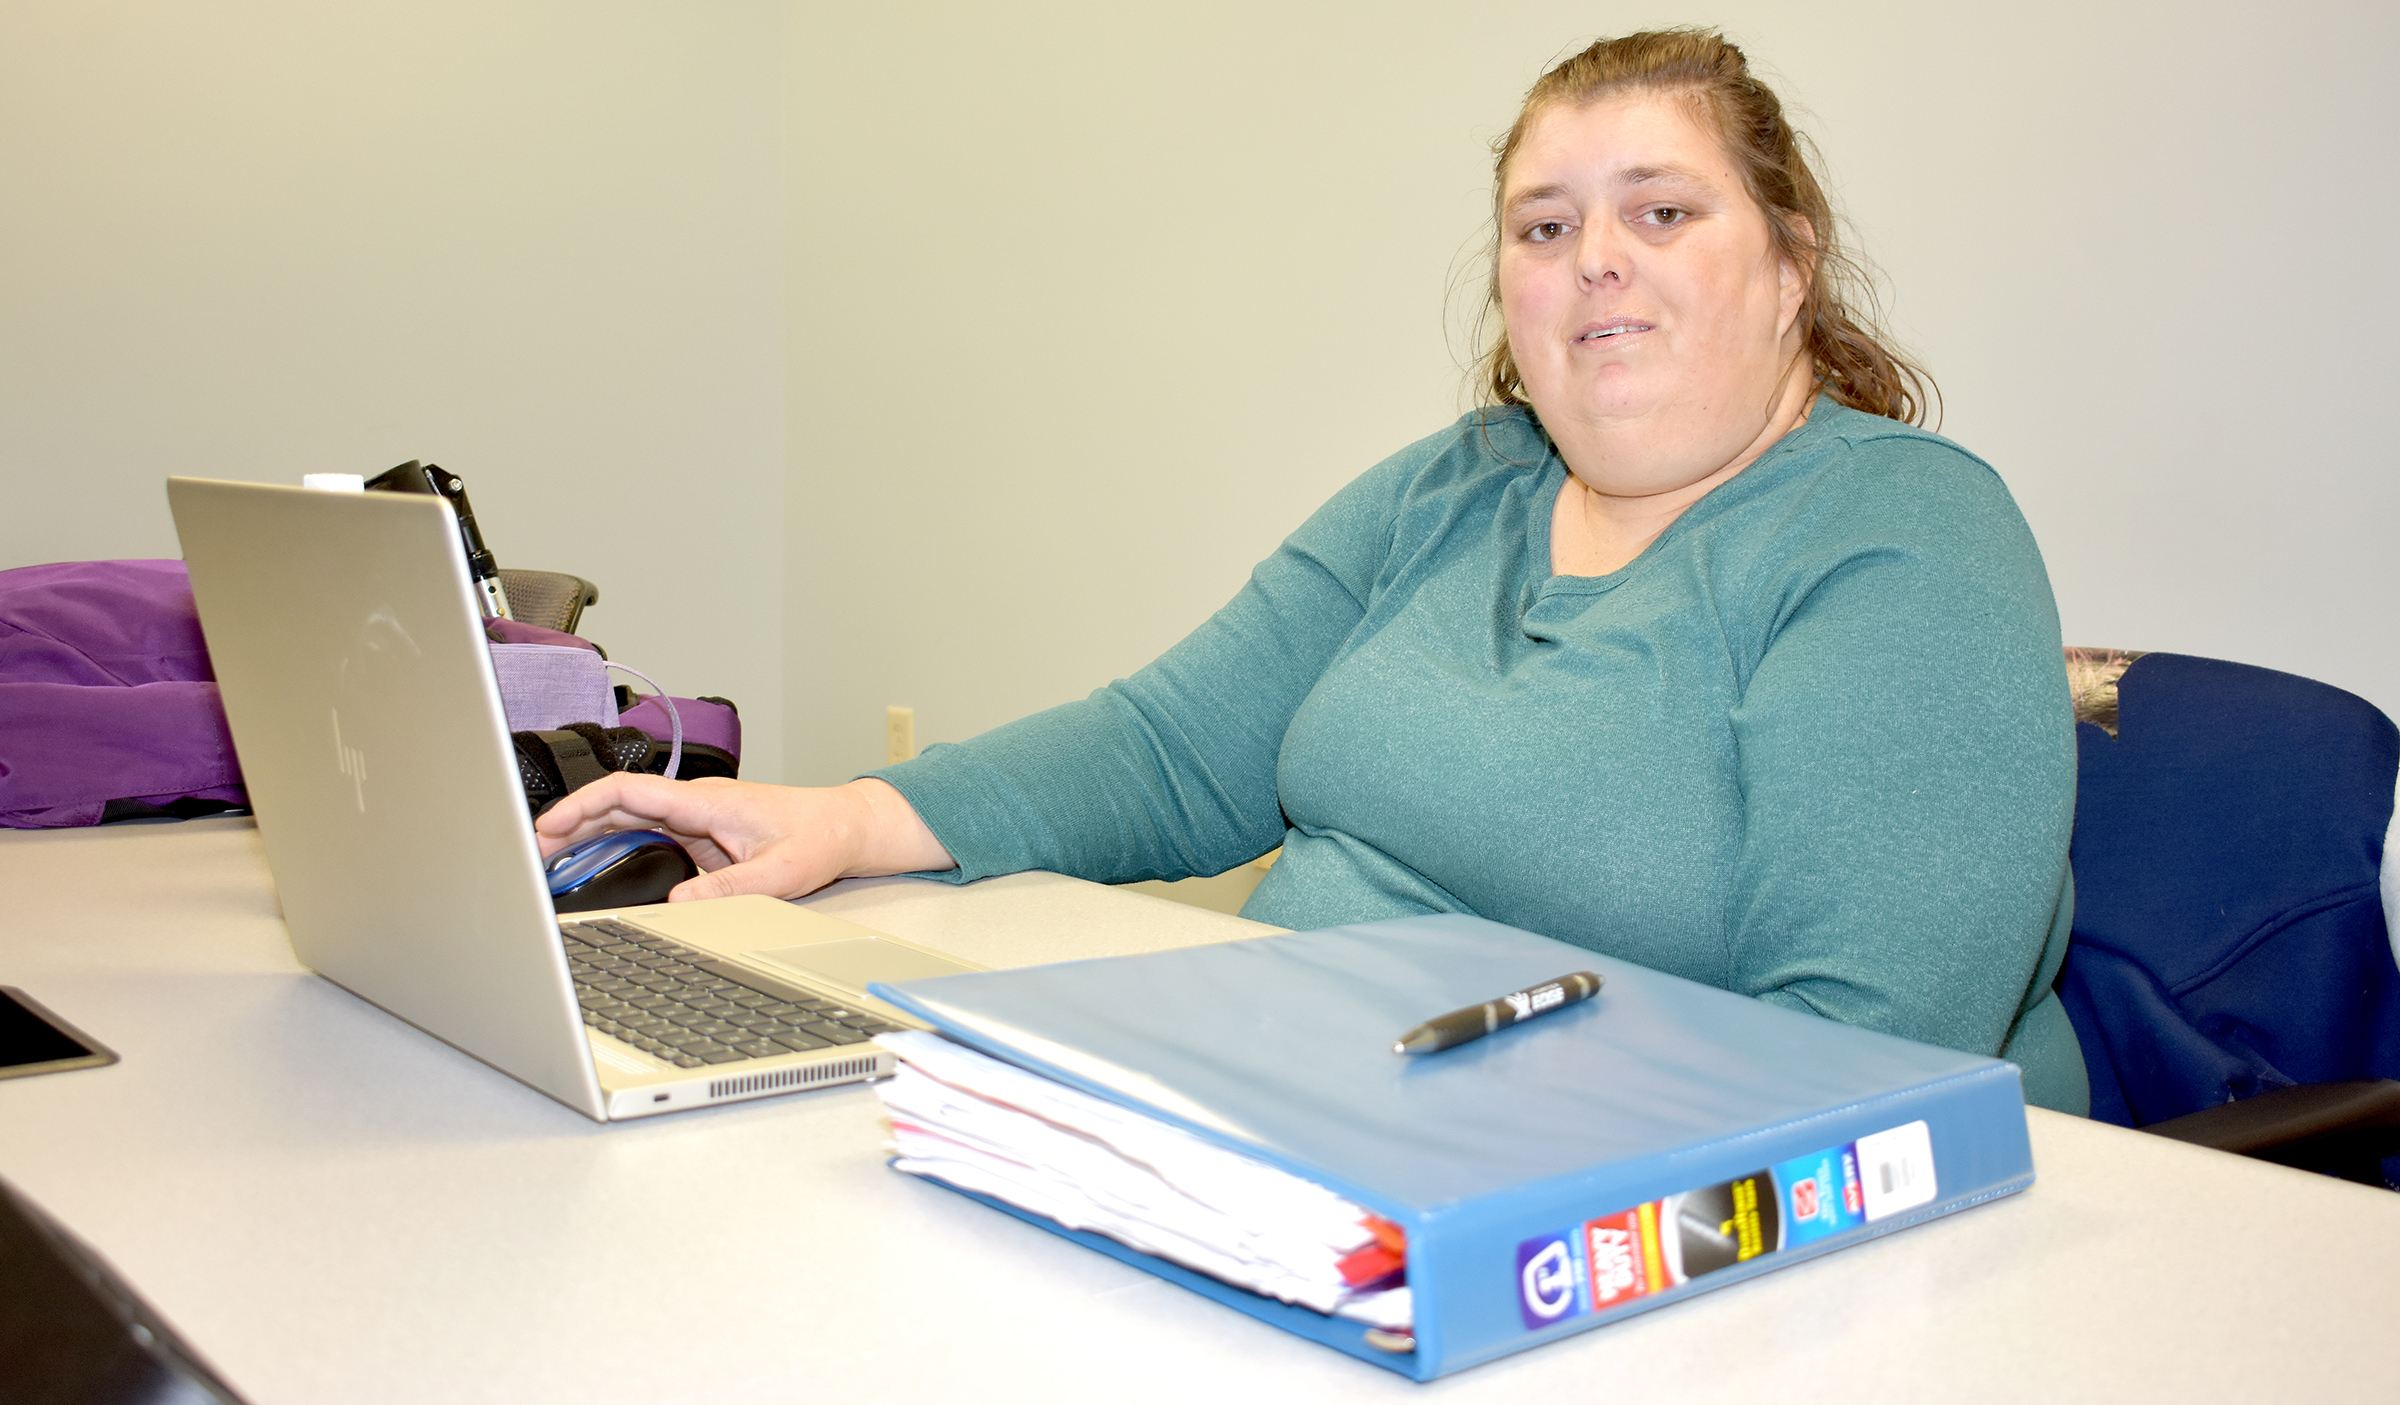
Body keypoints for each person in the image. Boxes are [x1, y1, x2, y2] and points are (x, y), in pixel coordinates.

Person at [538, 29, 2086, 1113]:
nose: (1594, 259)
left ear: (1791, 263)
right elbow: (1169, 746)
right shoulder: (1460, 488)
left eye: (1660, 212)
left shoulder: (1901, 543)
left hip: (1628, 1223)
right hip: (1293, 1102)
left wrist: (1374, 1115)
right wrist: (835, 819)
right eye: (1543, 227)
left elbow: (1863, 1066)